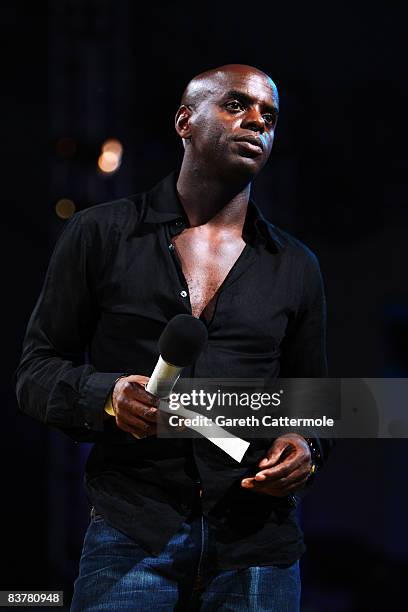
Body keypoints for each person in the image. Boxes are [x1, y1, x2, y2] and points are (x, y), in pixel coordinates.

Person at [15, 64, 333, 611]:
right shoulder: (101, 233)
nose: (256, 121)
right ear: (185, 121)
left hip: (257, 540)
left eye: (270, 115)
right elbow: (36, 372)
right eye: (236, 105)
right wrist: (107, 397)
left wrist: (306, 446)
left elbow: (316, 402)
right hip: (133, 529)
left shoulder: (296, 265)